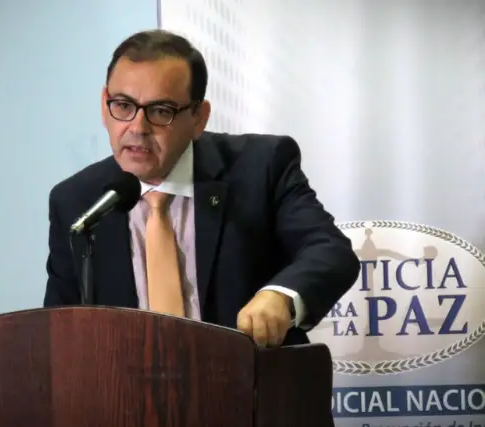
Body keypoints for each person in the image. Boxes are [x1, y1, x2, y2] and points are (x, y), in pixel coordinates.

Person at [43, 29, 360, 348]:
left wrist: (281, 297)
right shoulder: (78, 202)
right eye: (123, 105)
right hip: (127, 380)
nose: (138, 127)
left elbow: (329, 251)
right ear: (104, 104)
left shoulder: (261, 167)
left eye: (161, 111)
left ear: (199, 118)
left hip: (244, 375)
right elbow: (57, 331)